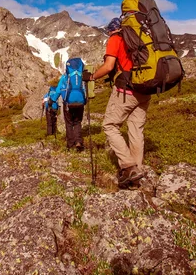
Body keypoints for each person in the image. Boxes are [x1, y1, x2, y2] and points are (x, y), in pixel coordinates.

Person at [84, 16, 151, 189]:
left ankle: (128, 167)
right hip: (144, 89)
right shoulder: (138, 38)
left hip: (126, 89)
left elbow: (108, 66)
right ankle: (137, 175)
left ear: (112, 29)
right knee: (136, 129)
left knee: (109, 125)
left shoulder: (115, 38)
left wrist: (91, 77)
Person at [54, 57, 86, 152]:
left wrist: (53, 100)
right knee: (77, 122)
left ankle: (70, 144)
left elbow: (58, 89)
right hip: (80, 102)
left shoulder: (65, 77)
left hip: (68, 102)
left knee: (69, 123)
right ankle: (78, 142)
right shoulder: (81, 76)